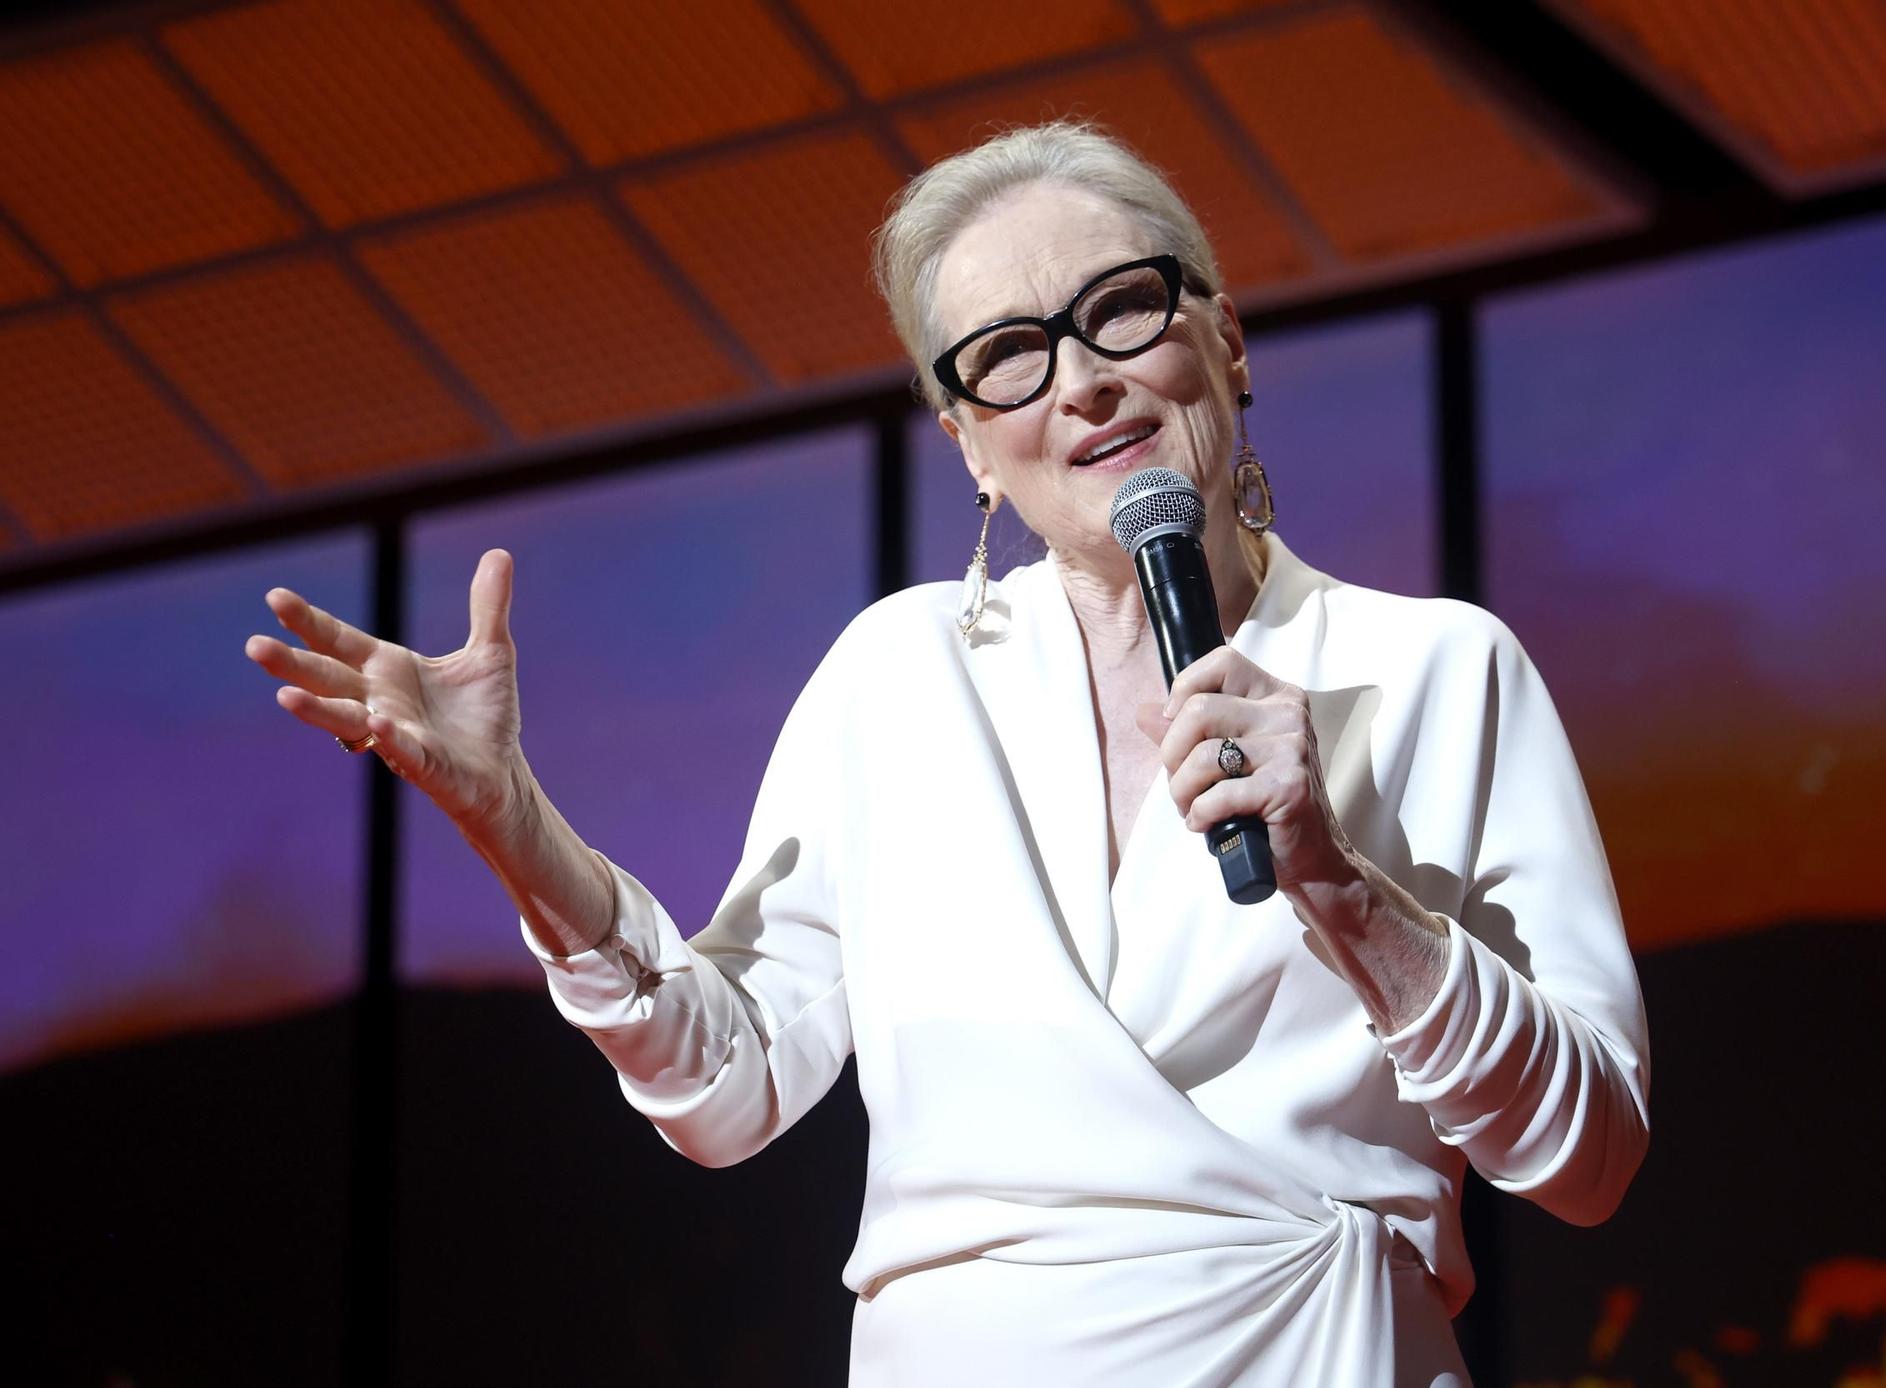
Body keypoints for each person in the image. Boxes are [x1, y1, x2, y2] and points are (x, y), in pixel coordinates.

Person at [246, 122, 1649, 1385]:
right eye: (1011, 357)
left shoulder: (1433, 672)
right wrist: (513, 824)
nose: (1084, 384)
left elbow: (1587, 1160)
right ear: (971, 443)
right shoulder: (899, 680)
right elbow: (725, 1091)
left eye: (1120, 311)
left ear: (1224, 342)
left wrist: (1344, 890)